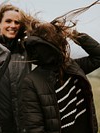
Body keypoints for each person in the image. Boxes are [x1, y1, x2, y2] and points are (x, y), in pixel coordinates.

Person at [18, 1, 100, 133]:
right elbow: (35, 128)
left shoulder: (71, 67)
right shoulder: (32, 82)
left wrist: (75, 34)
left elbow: (98, 56)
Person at [0, 3, 31, 133]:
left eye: (17, 22)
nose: (12, 26)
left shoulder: (26, 51)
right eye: (8, 21)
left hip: (24, 125)